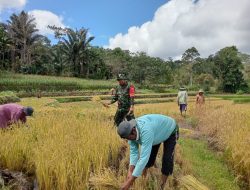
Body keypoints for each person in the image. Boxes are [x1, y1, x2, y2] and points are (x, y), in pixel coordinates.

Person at [117, 114, 179, 190]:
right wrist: (130, 171)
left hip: (170, 130)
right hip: (156, 133)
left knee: (167, 159)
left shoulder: (146, 131)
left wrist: (130, 182)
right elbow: (134, 153)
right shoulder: (130, 133)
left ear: (133, 131)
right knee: (149, 158)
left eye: (128, 138)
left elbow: (143, 158)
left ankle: (161, 186)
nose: (128, 140)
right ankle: (144, 178)